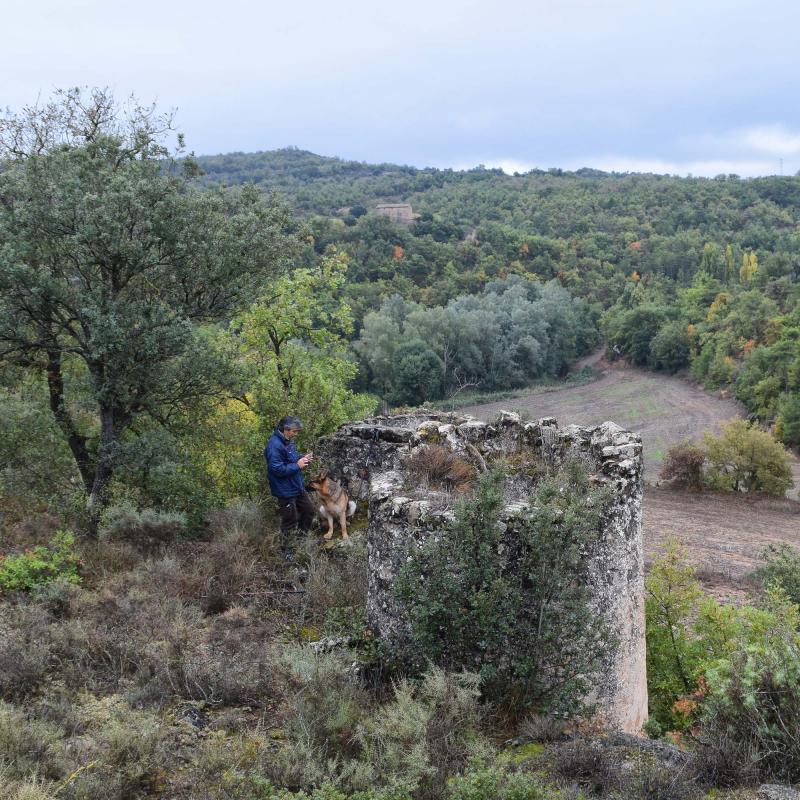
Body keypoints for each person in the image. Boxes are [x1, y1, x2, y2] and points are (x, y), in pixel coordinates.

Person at [265, 416, 315, 537]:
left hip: (296, 485)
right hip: (285, 490)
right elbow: (276, 469)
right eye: (294, 431)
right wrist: (298, 465)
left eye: (297, 431)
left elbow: (291, 458)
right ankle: (287, 551)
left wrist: (303, 458)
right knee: (290, 520)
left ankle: (301, 539)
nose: (296, 434)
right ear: (286, 429)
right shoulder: (274, 446)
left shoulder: (288, 440)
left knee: (309, 511)